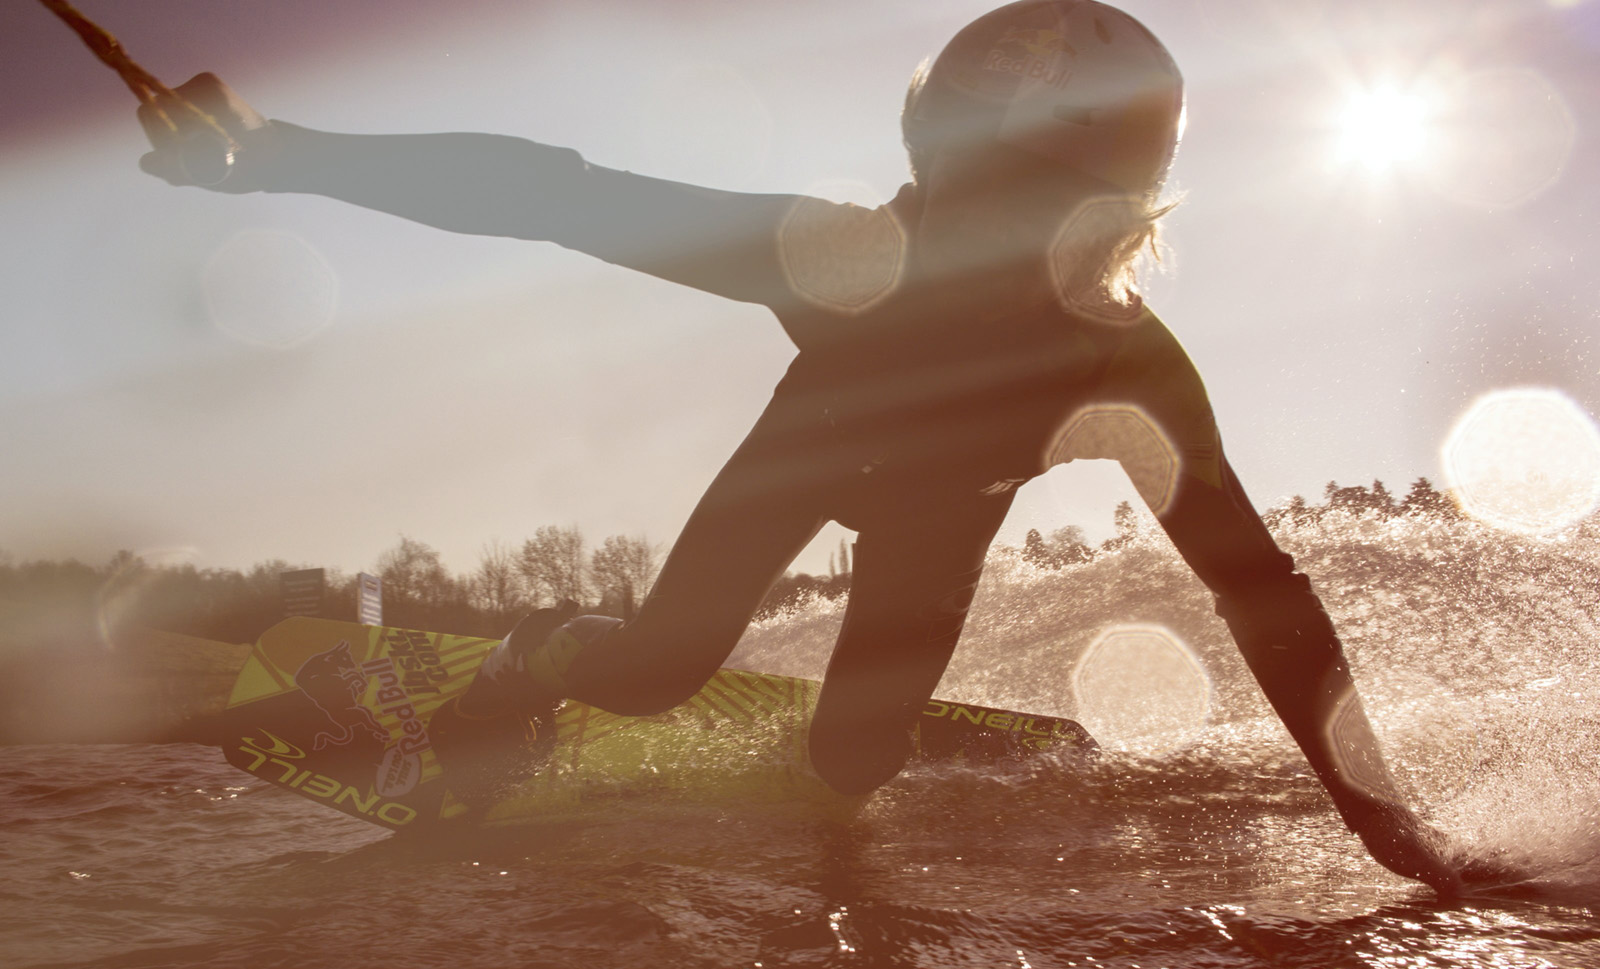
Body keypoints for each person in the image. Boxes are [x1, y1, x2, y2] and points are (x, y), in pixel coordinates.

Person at [139, 1, 1476, 890]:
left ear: (1115, 212)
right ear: (925, 169)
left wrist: (1387, 823)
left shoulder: (1125, 364)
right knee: (659, 672)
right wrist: (275, 150)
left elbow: (1261, 591)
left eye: (1034, 210)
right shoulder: (852, 259)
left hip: (940, 515)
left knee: (850, 769)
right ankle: (533, 654)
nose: (977, 245)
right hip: (809, 452)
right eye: (962, 195)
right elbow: (557, 194)